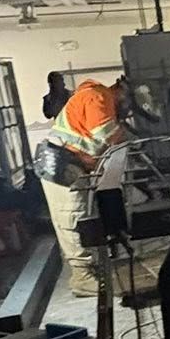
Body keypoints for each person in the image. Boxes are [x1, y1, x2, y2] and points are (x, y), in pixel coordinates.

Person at [34, 74, 132, 294]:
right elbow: (107, 134)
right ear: (120, 91)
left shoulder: (96, 96)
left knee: (81, 215)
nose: (127, 108)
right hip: (60, 165)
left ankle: (90, 269)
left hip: (69, 162)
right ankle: (82, 277)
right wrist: (129, 137)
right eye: (128, 102)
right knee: (73, 218)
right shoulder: (99, 97)